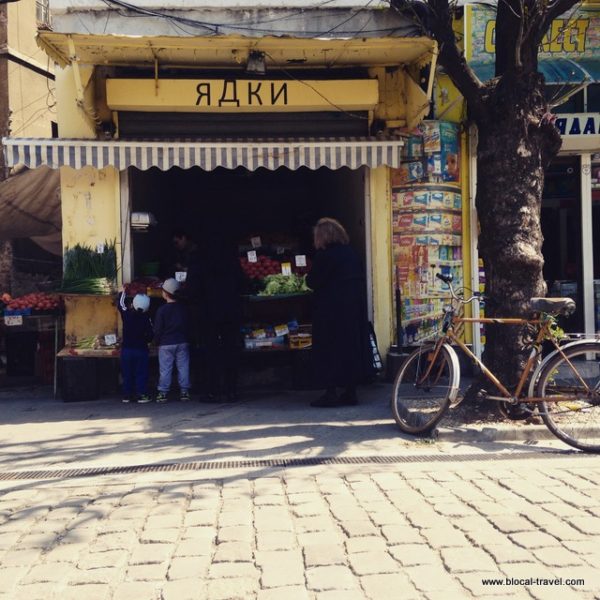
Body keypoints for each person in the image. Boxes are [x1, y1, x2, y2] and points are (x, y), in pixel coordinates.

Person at [306, 217, 374, 407]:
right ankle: (351, 391)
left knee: (329, 349)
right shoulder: (351, 253)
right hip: (353, 309)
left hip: (331, 310)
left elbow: (313, 281)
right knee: (350, 348)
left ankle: (330, 392)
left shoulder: (325, 256)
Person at [186, 224, 243, 402]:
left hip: (207, 312)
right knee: (230, 349)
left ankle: (212, 390)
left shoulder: (198, 259)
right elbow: (242, 282)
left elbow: (192, 288)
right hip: (230, 310)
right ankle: (231, 389)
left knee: (211, 352)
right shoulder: (231, 258)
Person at [154, 277, 191, 402]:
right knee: (183, 367)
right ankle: (184, 392)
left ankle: (163, 393)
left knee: (165, 369)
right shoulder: (184, 309)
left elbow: (158, 329)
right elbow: (187, 325)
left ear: (165, 293)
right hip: (182, 341)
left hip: (166, 344)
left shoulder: (161, 310)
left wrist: (156, 341)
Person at [118, 289, 153, 404]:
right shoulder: (146, 319)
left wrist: (122, 292)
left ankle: (127, 396)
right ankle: (142, 395)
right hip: (141, 350)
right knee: (141, 373)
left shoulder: (126, 315)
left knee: (127, 373)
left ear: (133, 303)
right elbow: (150, 335)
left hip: (127, 350)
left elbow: (120, 304)